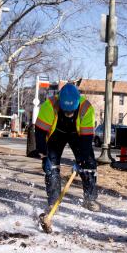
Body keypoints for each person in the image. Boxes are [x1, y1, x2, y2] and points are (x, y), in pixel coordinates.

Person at [35, 83, 100, 212]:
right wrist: (44, 156)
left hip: (78, 135)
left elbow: (87, 139)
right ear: (60, 102)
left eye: (71, 111)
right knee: (51, 167)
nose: (68, 114)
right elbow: (39, 133)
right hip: (56, 135)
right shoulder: (49, 106)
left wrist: (81, 160)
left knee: (89, 163)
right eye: (65, 111)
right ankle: (53, 202)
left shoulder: (86, 108)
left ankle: (90, 199)